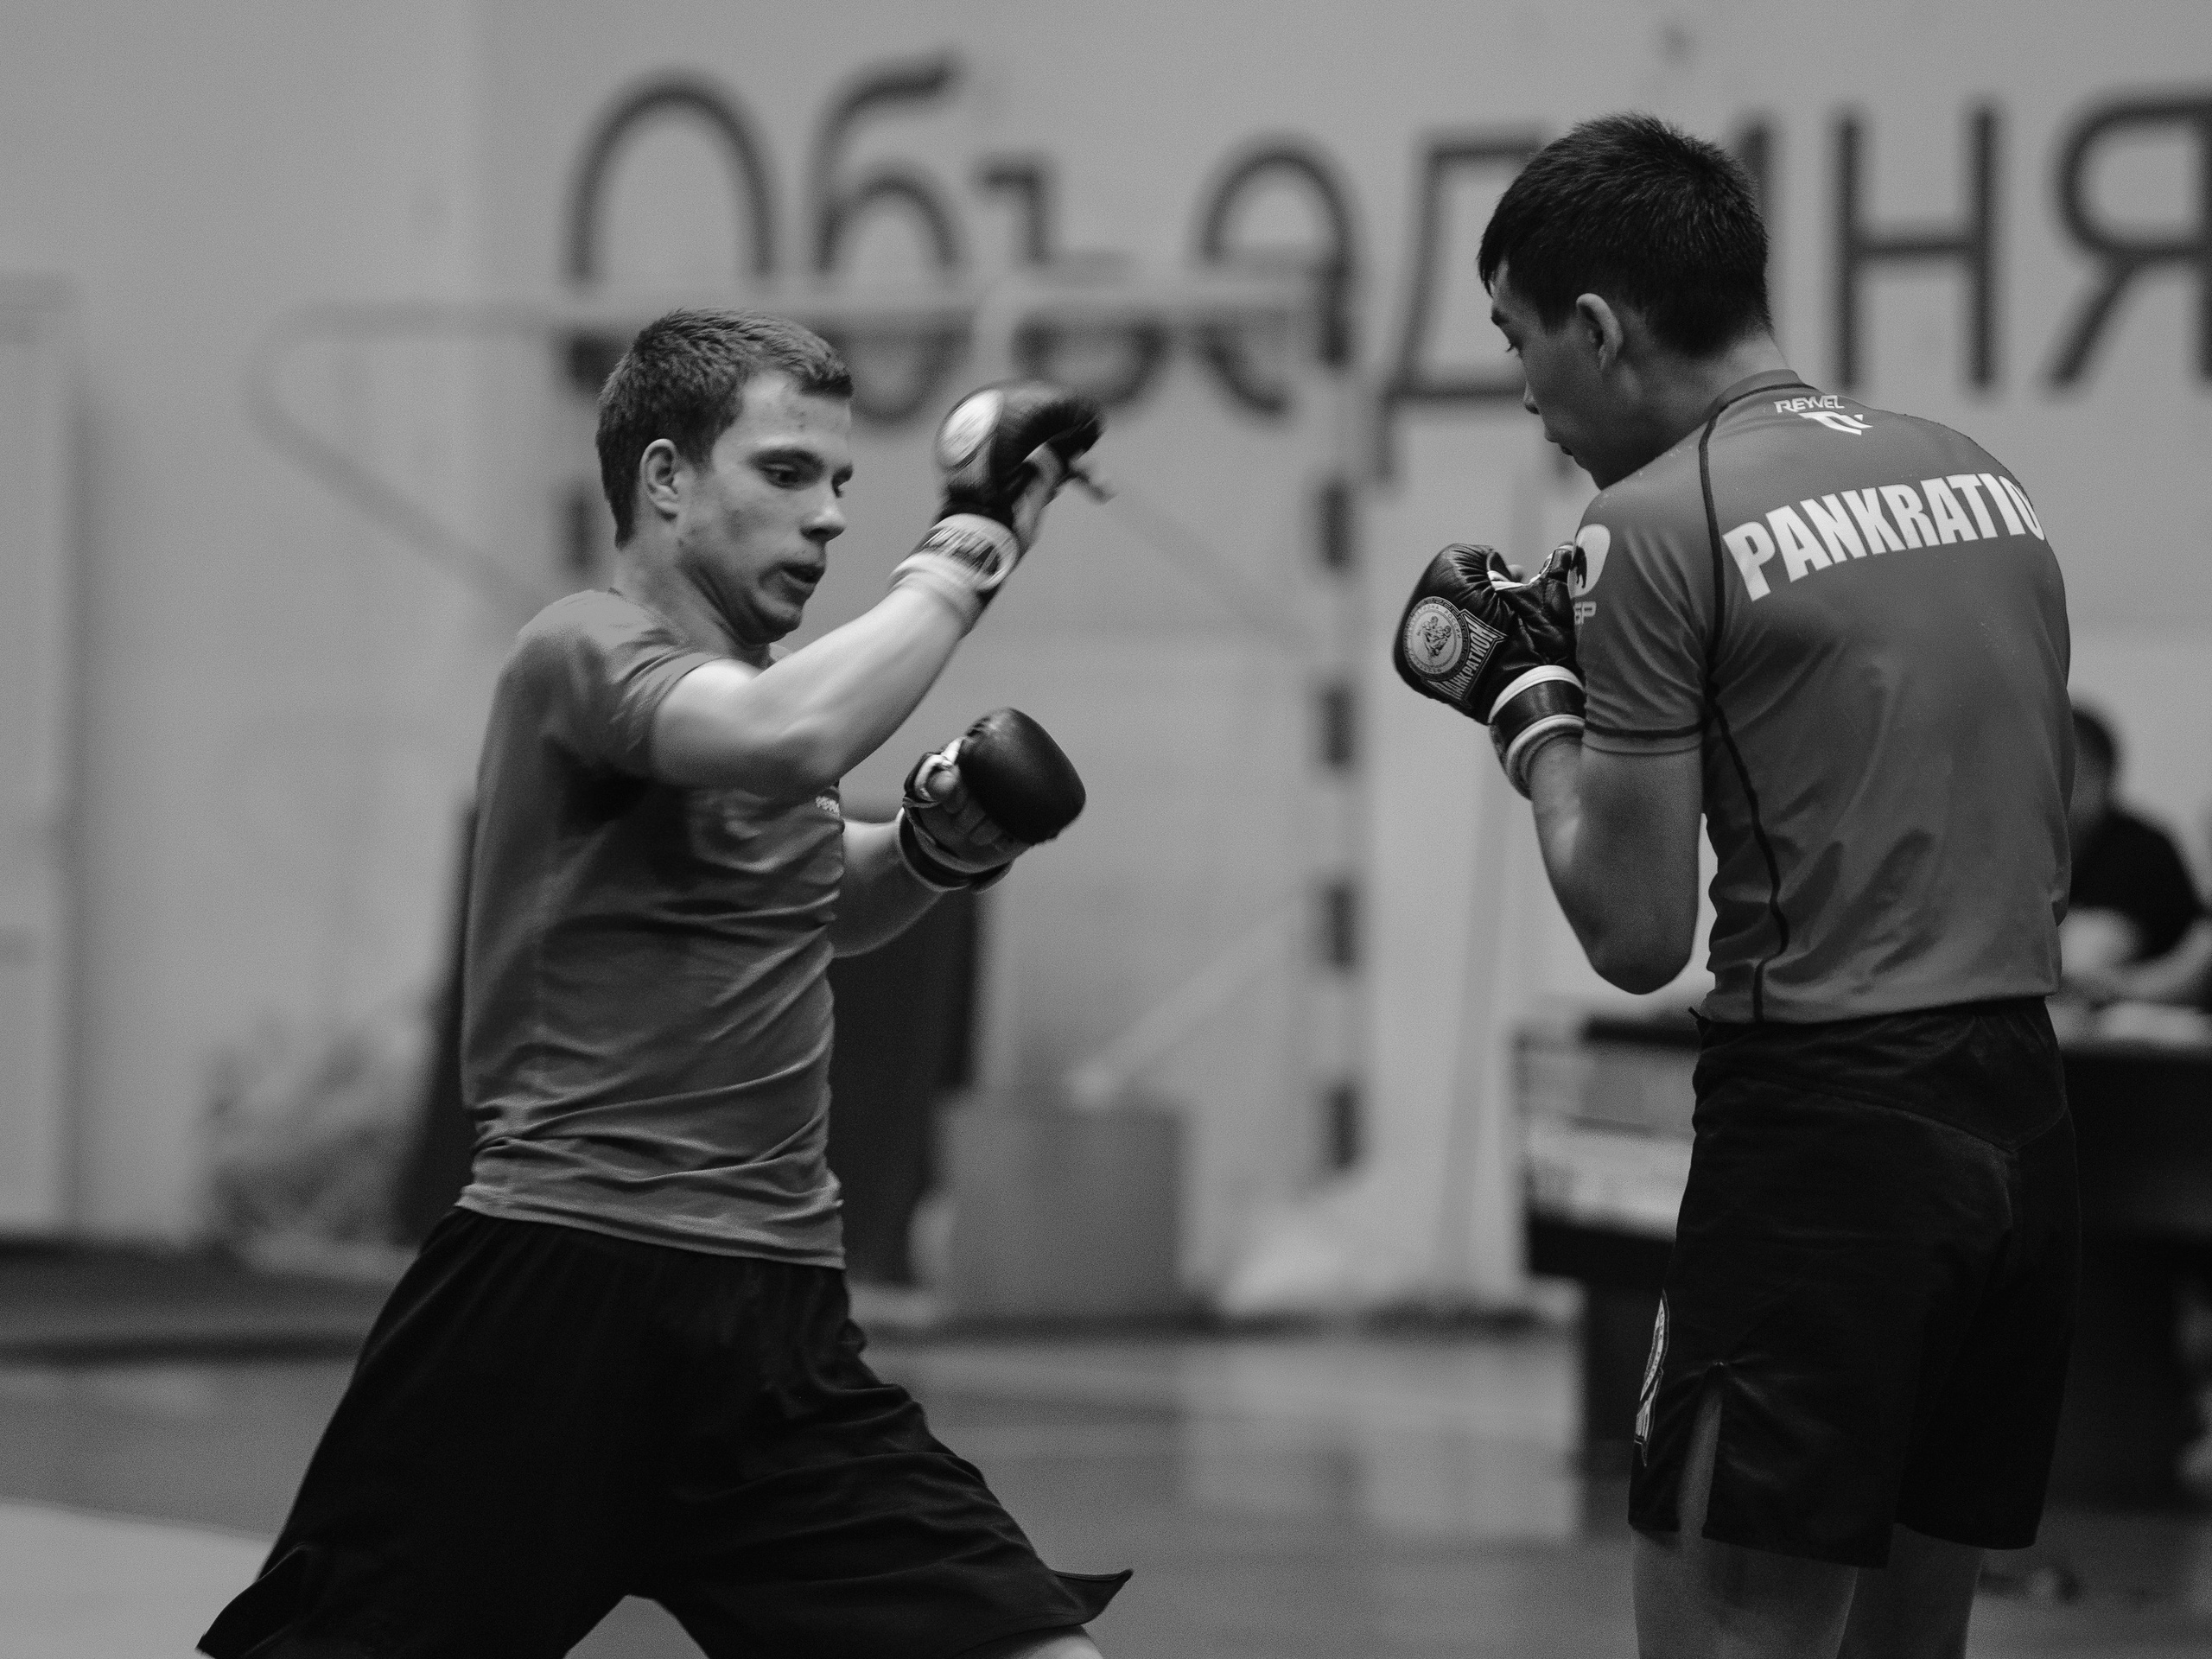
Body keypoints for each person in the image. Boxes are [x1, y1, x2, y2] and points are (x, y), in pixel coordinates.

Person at [200, 311, 1125, 1659]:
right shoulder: (585, 649)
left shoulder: (763, 701)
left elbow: (820, 904)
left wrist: (931, 852)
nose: (827, 517)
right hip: (558, 1294)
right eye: (787, 473)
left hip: (775, 1327)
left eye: (839, 484)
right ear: (667, 479)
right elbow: (789, 735)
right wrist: (973, 538)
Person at [1394, 117, 2075, 1657]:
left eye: (1515, 339)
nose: (1525, 392)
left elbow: (1636, 932)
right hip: (2025, 1122)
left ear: (1597, 327)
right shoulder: (1978, 477)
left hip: (1828, 1139)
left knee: (1728, 1640)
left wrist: (1532, 716)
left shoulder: (1654, 522)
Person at [2060, 702, 2212, 1007]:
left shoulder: (2141, 850)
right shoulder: (2029, 850)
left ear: (2101, 778)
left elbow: (2090, 959)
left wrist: (2113, 988)